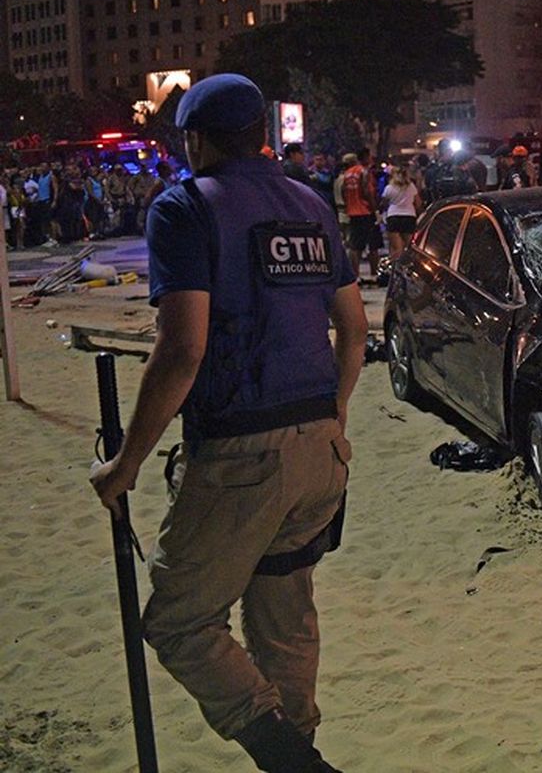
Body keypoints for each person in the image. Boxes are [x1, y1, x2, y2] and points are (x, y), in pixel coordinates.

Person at [89, 73, 365, 773]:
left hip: (244, 449)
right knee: (283, 616)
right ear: (263, 135)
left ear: (195, 137)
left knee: (179, 621)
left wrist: (126, 462)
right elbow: (354, 329)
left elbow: (183, 349)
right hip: (321, 448)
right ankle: (295, 747)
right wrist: (333, 413)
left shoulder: (185, 208)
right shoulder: (310, 204)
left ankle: (294, 763)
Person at [340, 147, 380, 281]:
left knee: (354, 246)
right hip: (365, 211)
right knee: (373, 244)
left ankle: (355, 275)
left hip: (352, 212)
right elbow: (367, 192)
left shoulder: (347, 174)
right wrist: (375, 210)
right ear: (366, 157)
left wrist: (348, 206)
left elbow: (343, 192)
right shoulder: (364, 172)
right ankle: (374, 274)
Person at [380, 162, 421, 258]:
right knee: (408, 248)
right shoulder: (411, 187)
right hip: (409, 216)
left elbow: (383, 203)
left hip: (393, 216)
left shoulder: (389, 188)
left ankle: (396, 267)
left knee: (396, 248)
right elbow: (418, 203)